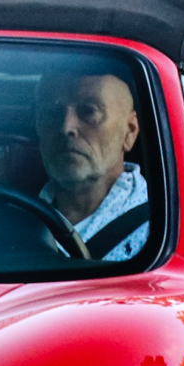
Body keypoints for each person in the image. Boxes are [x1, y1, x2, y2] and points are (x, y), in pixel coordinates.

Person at [34, 68, 152, 261]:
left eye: (88, 111)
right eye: (52, 113)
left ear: (129, 132)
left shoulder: (171, 223)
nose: (66, 127)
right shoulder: (13, 224)